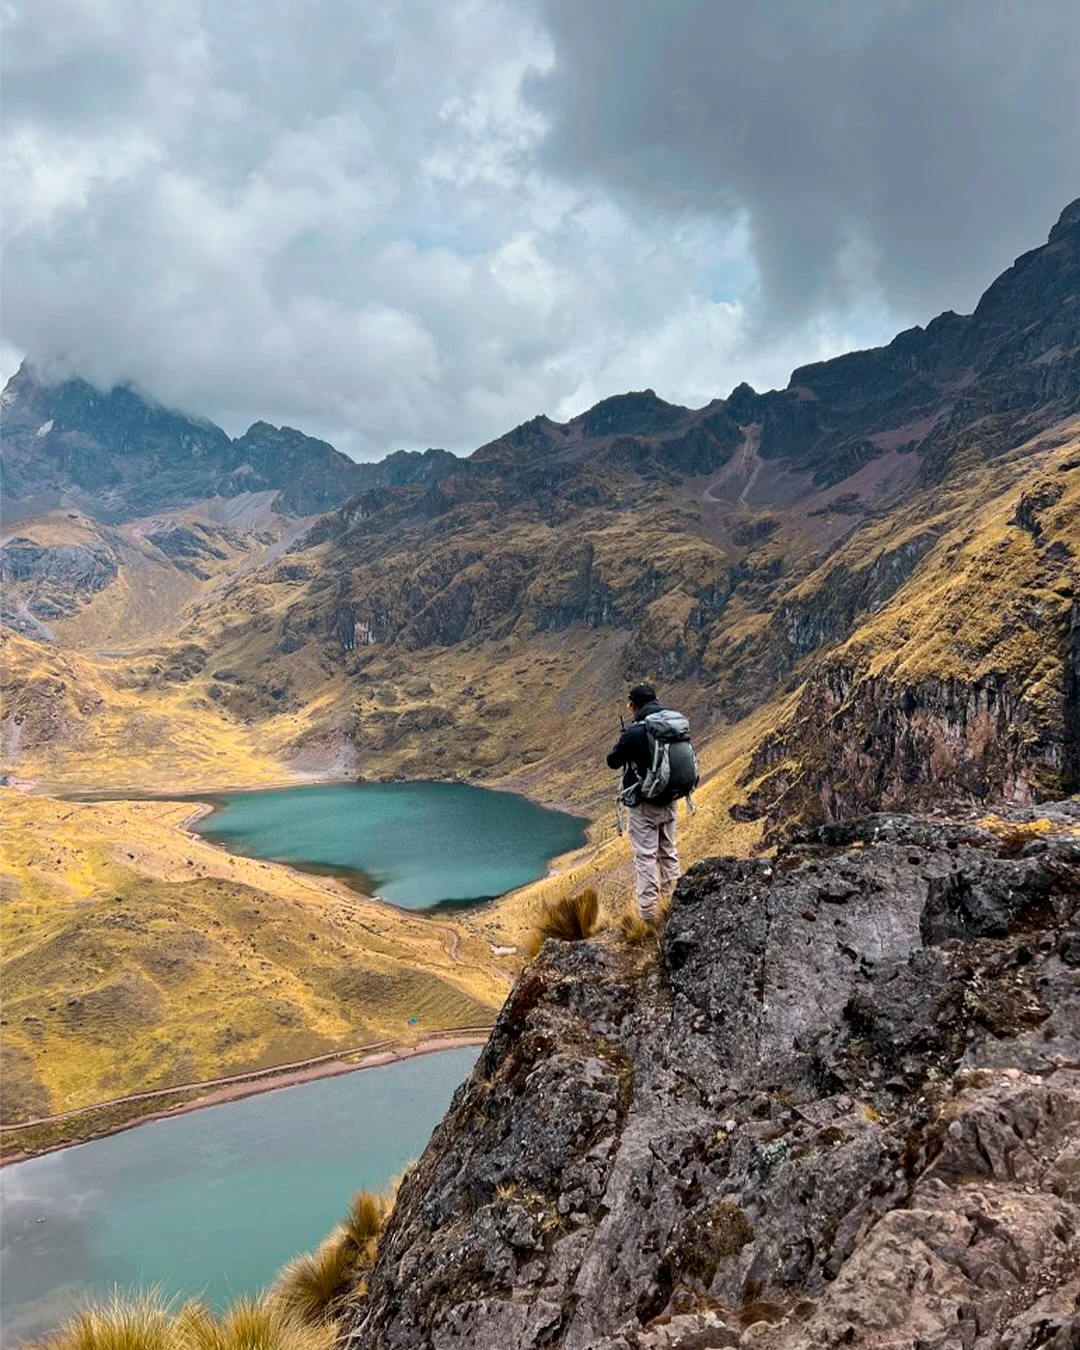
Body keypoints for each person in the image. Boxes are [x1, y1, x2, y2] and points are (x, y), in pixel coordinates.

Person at [606, 683, 680, 920]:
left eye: (630, 704)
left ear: (633, 705)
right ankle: (676, 902)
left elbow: (613, 761)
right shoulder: (671, 724)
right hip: (669, 799)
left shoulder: (635, 732)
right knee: (668, 851)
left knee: (646, 857)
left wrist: (624, 740)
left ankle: (648, 915)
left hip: (644, 804)